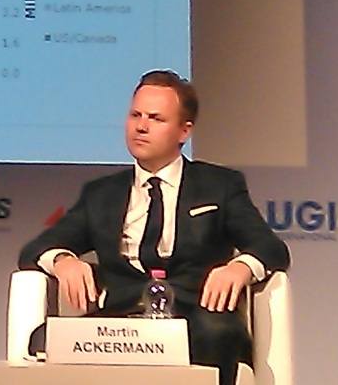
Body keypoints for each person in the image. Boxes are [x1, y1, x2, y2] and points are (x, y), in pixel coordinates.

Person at [18, 70, 289, 385]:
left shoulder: (219, 186)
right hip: (120, 322)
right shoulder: (102, 194)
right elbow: (34, 250)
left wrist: (240, 267)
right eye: (136, 115)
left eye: (156, 119)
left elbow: (271, 248)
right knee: (45, 338)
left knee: (219, 334)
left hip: (197, 318)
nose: (141, 127)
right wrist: (63, 260)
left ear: (184, 130)